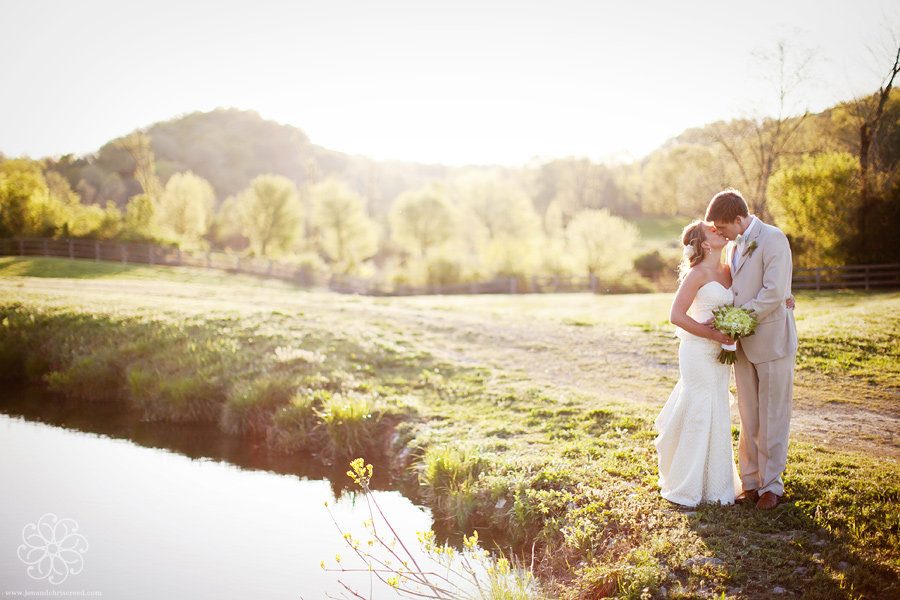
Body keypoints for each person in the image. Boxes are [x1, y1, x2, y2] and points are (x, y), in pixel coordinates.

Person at [705, 189, 798, 510]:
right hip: (741, 345)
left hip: (772, 341)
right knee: (749, 416)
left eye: (721, 226)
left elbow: (774, 292)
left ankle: (773, 485)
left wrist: (737, 319)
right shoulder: (733, 245)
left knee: (774, 415)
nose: (719, 233)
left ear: (739, 218)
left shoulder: (773, 239)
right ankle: (752, 482)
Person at [654, 220, 742, 506]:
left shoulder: (730, 269)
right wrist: (713, 333)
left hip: (721, 353)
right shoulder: (697, 274)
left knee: (716, 407)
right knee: (700, 409)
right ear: (705, 244)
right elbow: (676, 315)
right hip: (697, 351)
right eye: (712, 230)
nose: (719, 230)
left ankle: (716, 486)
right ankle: (687, 484)